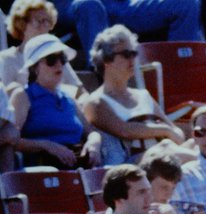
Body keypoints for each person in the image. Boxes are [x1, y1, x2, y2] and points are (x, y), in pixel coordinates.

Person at [82, 25, 185, 166]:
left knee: (194, 145)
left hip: (163, 162)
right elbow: (125, 131)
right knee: (167, 148)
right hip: (131, 169)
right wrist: (165, 131)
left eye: (134, 54)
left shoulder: (143, 95)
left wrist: (175, 134)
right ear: (106, 60)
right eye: (126, 54)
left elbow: (173, 129)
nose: (132, 59)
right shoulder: (96, 102)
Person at [11, 34, 101, 168]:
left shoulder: (68, 97)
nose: (59, 64)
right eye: (51, 59)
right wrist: (46, 145)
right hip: (44, 169)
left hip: (76, 164)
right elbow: (12, 140)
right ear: (35, 67)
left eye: (62, 58)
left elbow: (91, 131)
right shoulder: (23, 96)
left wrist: (94, 143)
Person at [57, 0, 201, 65]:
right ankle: (106, 76)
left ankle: (183, 70)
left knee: (186, 4)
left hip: (121, 4)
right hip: (72, 4)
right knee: (90, 5)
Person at [0, 1, 83, 90]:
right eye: (39, 21)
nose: (44, 26)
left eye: (47, 21)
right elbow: (5, 97)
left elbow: (79, 89)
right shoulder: (8, 58)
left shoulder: (56, 55)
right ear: (22, 24)